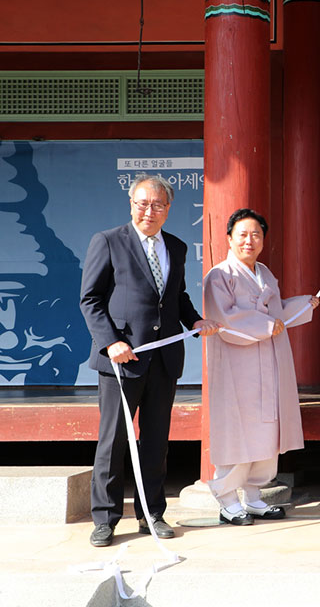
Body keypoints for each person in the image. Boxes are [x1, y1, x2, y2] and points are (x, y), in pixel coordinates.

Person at [80, 175, 218, 548]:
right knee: (112, 441)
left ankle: (152, 513)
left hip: (164, 359)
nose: (149, 211)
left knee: (156, 441)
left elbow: (177, 295)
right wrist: (111, 343)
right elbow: (90, 300)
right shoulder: (108, 241)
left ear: (168, 209)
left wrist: (195, 320)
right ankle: (105, 519)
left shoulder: (175, 245)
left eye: (157, 205)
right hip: (122, 360)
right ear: (131, 204)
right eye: (142, 203)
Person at [202, 208, 319, 525]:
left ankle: (253, 497)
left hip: (268, 359)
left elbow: (277, 313)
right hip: (237, 364)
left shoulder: (265, 273)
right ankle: (227, 499)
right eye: (242, 234)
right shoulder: (220, 276)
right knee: (238, 432)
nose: (249, 240)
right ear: (229, 238)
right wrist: (266, 325)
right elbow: (225, 319)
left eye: (256, 234)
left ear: (263, 239)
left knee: (268, 430)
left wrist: (302, 305)